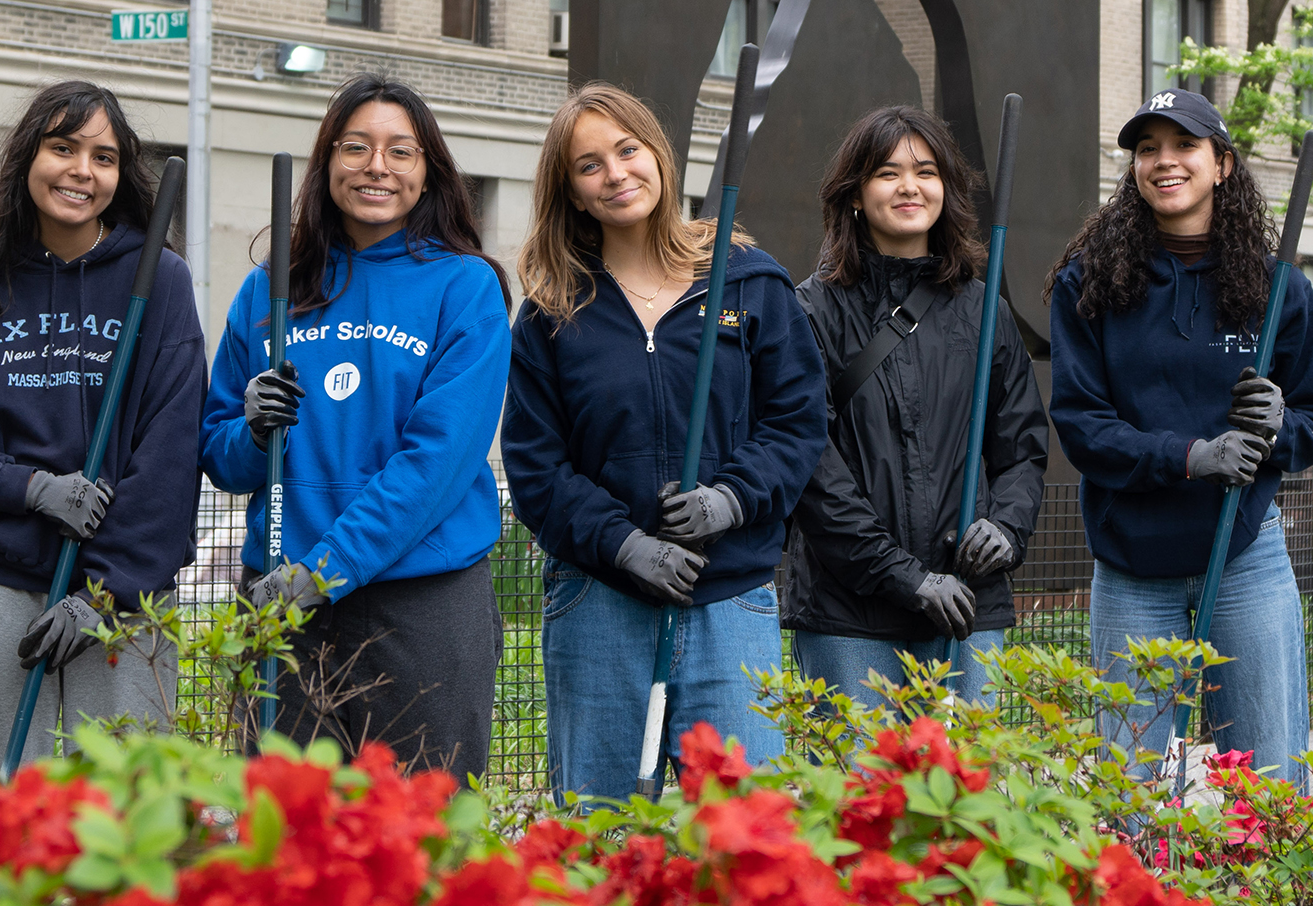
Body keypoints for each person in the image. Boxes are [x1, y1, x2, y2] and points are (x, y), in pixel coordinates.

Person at [502, 83, 826, 803]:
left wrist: (730, 499)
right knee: (603, 829)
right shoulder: (552, 314)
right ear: (573, 194)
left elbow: (798, 420)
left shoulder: (748, 283)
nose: (615, 174)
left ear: (660, 157)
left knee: (748, 835)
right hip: (599, 601)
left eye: (627, 150)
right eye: (590, 166)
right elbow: (535, 467)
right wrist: (625, 545)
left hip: (728, 596)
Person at [0, 80, 205, 765]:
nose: (82, 171)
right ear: (28, 156)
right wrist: (27, 487)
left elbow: (170, 459)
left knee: (124, 810)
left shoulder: (162, 283)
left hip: (120, 594)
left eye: (104, 156)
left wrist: (104, 595)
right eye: (63, 148)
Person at [199, 74, 509, 784]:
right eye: (356, 147)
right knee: (290, 836)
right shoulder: (269, 289)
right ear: (326, 161)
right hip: (281, 597)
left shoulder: (464, 287)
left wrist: (326, 570)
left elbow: (436, 465)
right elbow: (218, 456)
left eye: (400, 151)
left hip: (421, 597)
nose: (377, 166)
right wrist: (250, 431)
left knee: (425, 832)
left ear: (428, 170)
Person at [1046, 89, 1313, 787]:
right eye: (1148, 149)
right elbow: (1082, 427)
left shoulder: (1278, 289)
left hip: (1244, 555)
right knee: (1136, 790)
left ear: (1223, 166)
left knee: (1270, 779)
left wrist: (1275, 429)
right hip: (1130, 566)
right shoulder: (1089, 283)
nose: (1164, 161)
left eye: (1183, 146)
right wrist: (1191, 456)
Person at [781, 106, 1047, 708]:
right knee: (861, 798)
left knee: (965, 796)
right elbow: (811, 471)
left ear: (946, 189)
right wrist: (906, 578)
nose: (909, 186)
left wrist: (1006, 528)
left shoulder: (985, 312)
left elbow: (1022, 449)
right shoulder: (809, 312)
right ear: (853, 194)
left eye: (926, 171)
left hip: (970, 609)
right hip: (849, 616)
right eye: (886, 172)